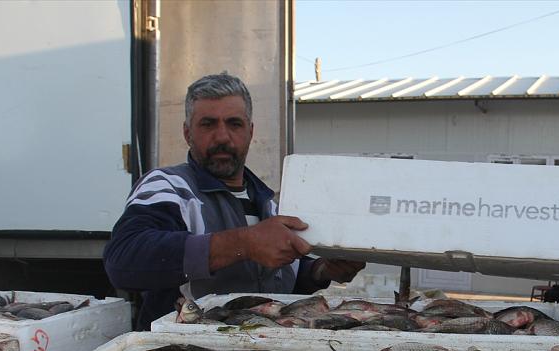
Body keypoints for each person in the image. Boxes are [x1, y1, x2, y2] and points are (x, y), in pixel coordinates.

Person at [104, 73, 364, 329]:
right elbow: (124, 259)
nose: (222, 137)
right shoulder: (169, 186)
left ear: (250, 132)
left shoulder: (269, 205)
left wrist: (322, 270)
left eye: (234, 124)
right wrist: (244, 244)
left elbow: (283, 280)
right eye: (208, 124)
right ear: (187, 133)